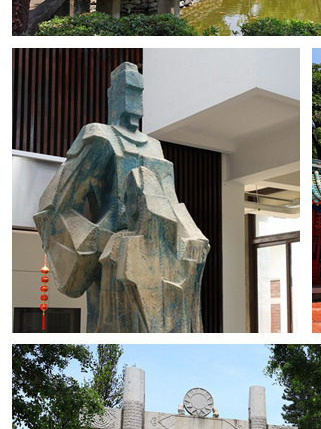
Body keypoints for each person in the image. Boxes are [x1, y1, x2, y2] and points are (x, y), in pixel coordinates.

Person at [34, 62, 208, 332]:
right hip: (113, 265)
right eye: (127, 89)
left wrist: (194, 237)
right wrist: (103, 242)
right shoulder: (99, 137)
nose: (133, 98)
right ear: (112, 95)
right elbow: (53, 208)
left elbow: (170, 202)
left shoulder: (154, 147)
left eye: (138, 91)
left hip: (159, 261)